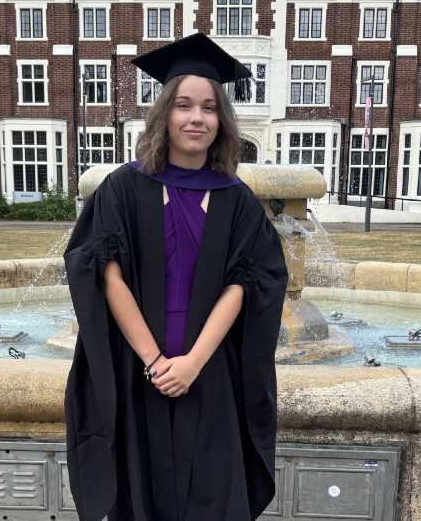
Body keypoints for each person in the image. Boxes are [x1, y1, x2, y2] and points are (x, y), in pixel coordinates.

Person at [63, 33, 288, 521]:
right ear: (164, 113)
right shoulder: (124, 188)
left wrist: (191, 363)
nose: (196, 118)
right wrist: (155, 361)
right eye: (184, 105)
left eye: (208, 108)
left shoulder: (236, 199)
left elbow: (246, 284)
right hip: (139, 371)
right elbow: (105, 274)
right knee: (141, 494)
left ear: (221, 121)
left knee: (213, 495)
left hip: (209, 375)